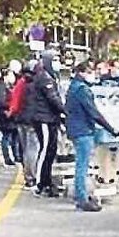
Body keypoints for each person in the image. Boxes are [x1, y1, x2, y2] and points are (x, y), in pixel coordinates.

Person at [65, 62, 119, 212]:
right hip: (83, 130)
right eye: (91, 72)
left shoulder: (73, 87)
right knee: (82, 165)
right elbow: (93, 112)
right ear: (82, 72)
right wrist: (111, 128)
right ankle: (82, 198)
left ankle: (81, 196)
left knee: (81, 164)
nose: (93, 75)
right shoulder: (82, 90)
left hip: (76, 129)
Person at [31, 50, 66, 198]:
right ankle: (40, 183)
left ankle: (47, 180)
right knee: (45, 150)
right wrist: (66, 111)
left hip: (50, 118)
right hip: (44, 119)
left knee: (51, 150)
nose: (57, 63)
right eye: (55, 60)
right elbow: (53, 99)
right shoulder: (44, 78)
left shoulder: (51, 77)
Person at [9, 60, 39, 189]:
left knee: (25, 148)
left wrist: (12, 113)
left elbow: (15, 102)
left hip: (20, 119)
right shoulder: (35, 84)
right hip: (31, 120)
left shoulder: (21, 83)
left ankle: (28, 176)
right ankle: (31, 176)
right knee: (32, 149)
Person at [0, 69, 20, 166]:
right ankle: (7, 157)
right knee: (6, 136)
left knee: (14, 136)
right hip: (5, 114)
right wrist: (10, 107)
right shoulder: (1, 87)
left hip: (12, 113)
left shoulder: (10, 86)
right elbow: (1, 101)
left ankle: (16, 155)